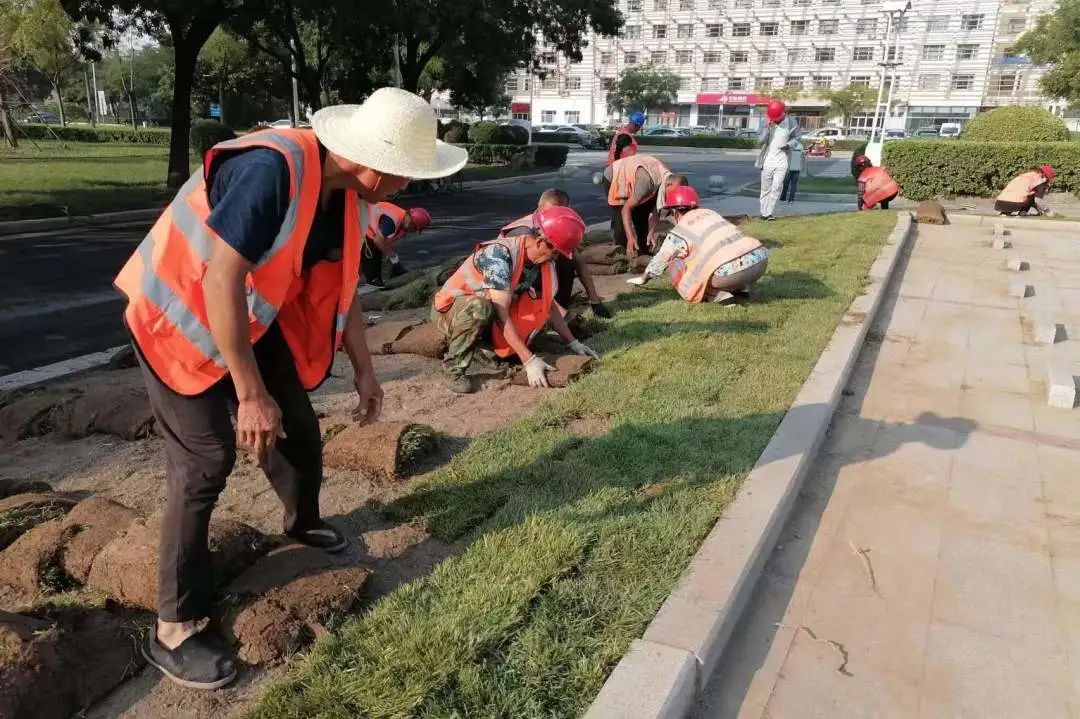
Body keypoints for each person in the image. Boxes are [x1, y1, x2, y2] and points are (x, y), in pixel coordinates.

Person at [113, 87, 468, 691]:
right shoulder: (269, 172)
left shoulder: (348, 196)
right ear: (375, 165)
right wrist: (250, 393)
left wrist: (364, 370)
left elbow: (342, 287)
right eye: (410, 174)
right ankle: (172, 627)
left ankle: (300, 519)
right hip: (177, 320)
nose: (412, 186)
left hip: (244, 319)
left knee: (298, 429)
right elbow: (220, 276)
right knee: (205, 461)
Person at [431, 206, 600, 394]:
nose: (555, 258)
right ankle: (453, 369)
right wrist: (528, 360)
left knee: (527, 309)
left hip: (491, 313)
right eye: (555, 253)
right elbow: (500, 313)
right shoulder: (499, 256)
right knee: (481, 308)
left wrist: (572, 342)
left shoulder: (541, 263)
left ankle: (488, 347)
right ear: (541, 242)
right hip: (453, 311)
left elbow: (549, 305)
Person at [626, 185, 768, 304]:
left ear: (675, 211)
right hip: (760, 260)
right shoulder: (710, 213)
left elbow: (662, 259)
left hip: (729, 273)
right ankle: (742, 289)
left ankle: (720, 296)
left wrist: (644, 278)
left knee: (678, 267)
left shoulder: (680, 231)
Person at [499, 189, 612, 318]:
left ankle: (561, 310)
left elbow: (577, 260)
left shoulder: (557, 226)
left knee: (566, 261)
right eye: (548, 213)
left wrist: (595, 300)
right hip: (509, 284)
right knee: (546, 270)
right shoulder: (524, 232)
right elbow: (531, 283)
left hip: (532, 277)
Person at [604, 153, 685, 259]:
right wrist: (630, 237)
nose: (673, 196)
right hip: (614, 175)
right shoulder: (646, 182)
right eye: (673, 193)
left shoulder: (665, 178)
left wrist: (651, 233)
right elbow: (626, 209)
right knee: (621, 217)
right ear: (668, 185)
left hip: (638, 177)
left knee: (642, 212)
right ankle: (622, 252)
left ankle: (643, 248)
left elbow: (656, 210)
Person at [361, 202, 431, 286]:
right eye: (414, 228)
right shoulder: (392, 222)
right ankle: (372, 280)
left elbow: (385, 241)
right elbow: (378, 240)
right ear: (410, 221)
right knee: (372, 252)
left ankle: (376, 278)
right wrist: (393, 256)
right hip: (361, 223)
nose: (413, 231)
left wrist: (392, 258)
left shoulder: (400, 217)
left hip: (364, 219)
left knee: (379, 252)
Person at [756, 100, 799, 221]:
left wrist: (789, 145)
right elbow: (759, 141)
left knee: (776, 188)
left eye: (777, 118)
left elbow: (797, 138)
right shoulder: (765, 122)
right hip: (767, 161)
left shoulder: (791, 122)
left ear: (783, 113)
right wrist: (767, 129)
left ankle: (769, 213)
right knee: (765, 189)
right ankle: (763, 213)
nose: (776, 121)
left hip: (782, 162)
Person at [780, 137, 803, 203]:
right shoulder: (800, 145)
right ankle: (791, 199)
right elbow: (802, 157)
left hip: (789, 168)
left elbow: (783, 151)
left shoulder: (789, 146)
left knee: (786, 184)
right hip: (797, 168)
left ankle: (783, 198)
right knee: (793, 185)